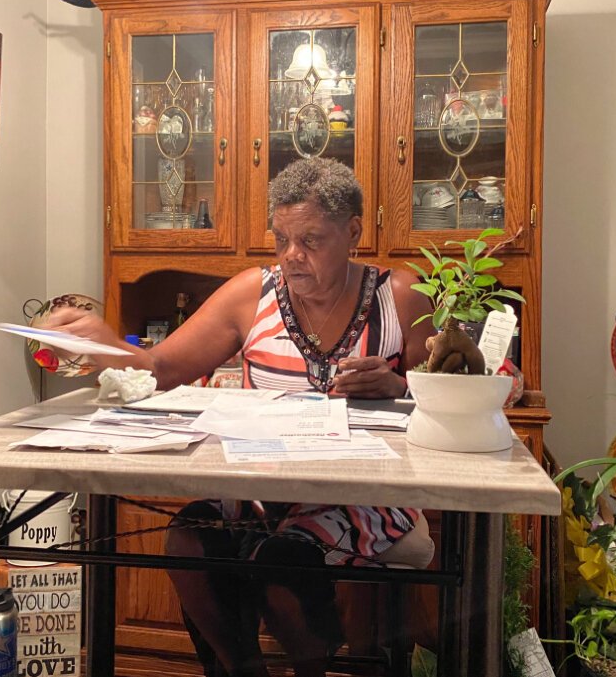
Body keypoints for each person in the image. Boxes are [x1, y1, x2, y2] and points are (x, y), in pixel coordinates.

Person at [47, 158, 437, 677]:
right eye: (282, 239)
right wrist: (103, 343)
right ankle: (241, 669)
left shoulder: (401, 297)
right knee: (188, 538)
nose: (293, 257)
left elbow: (458, 393)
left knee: (282, 561)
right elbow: (161, 368)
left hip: (364, 491)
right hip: (260, 483)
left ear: (353, 233)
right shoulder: (254, 293)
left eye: (312, 241)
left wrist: (400, 386)